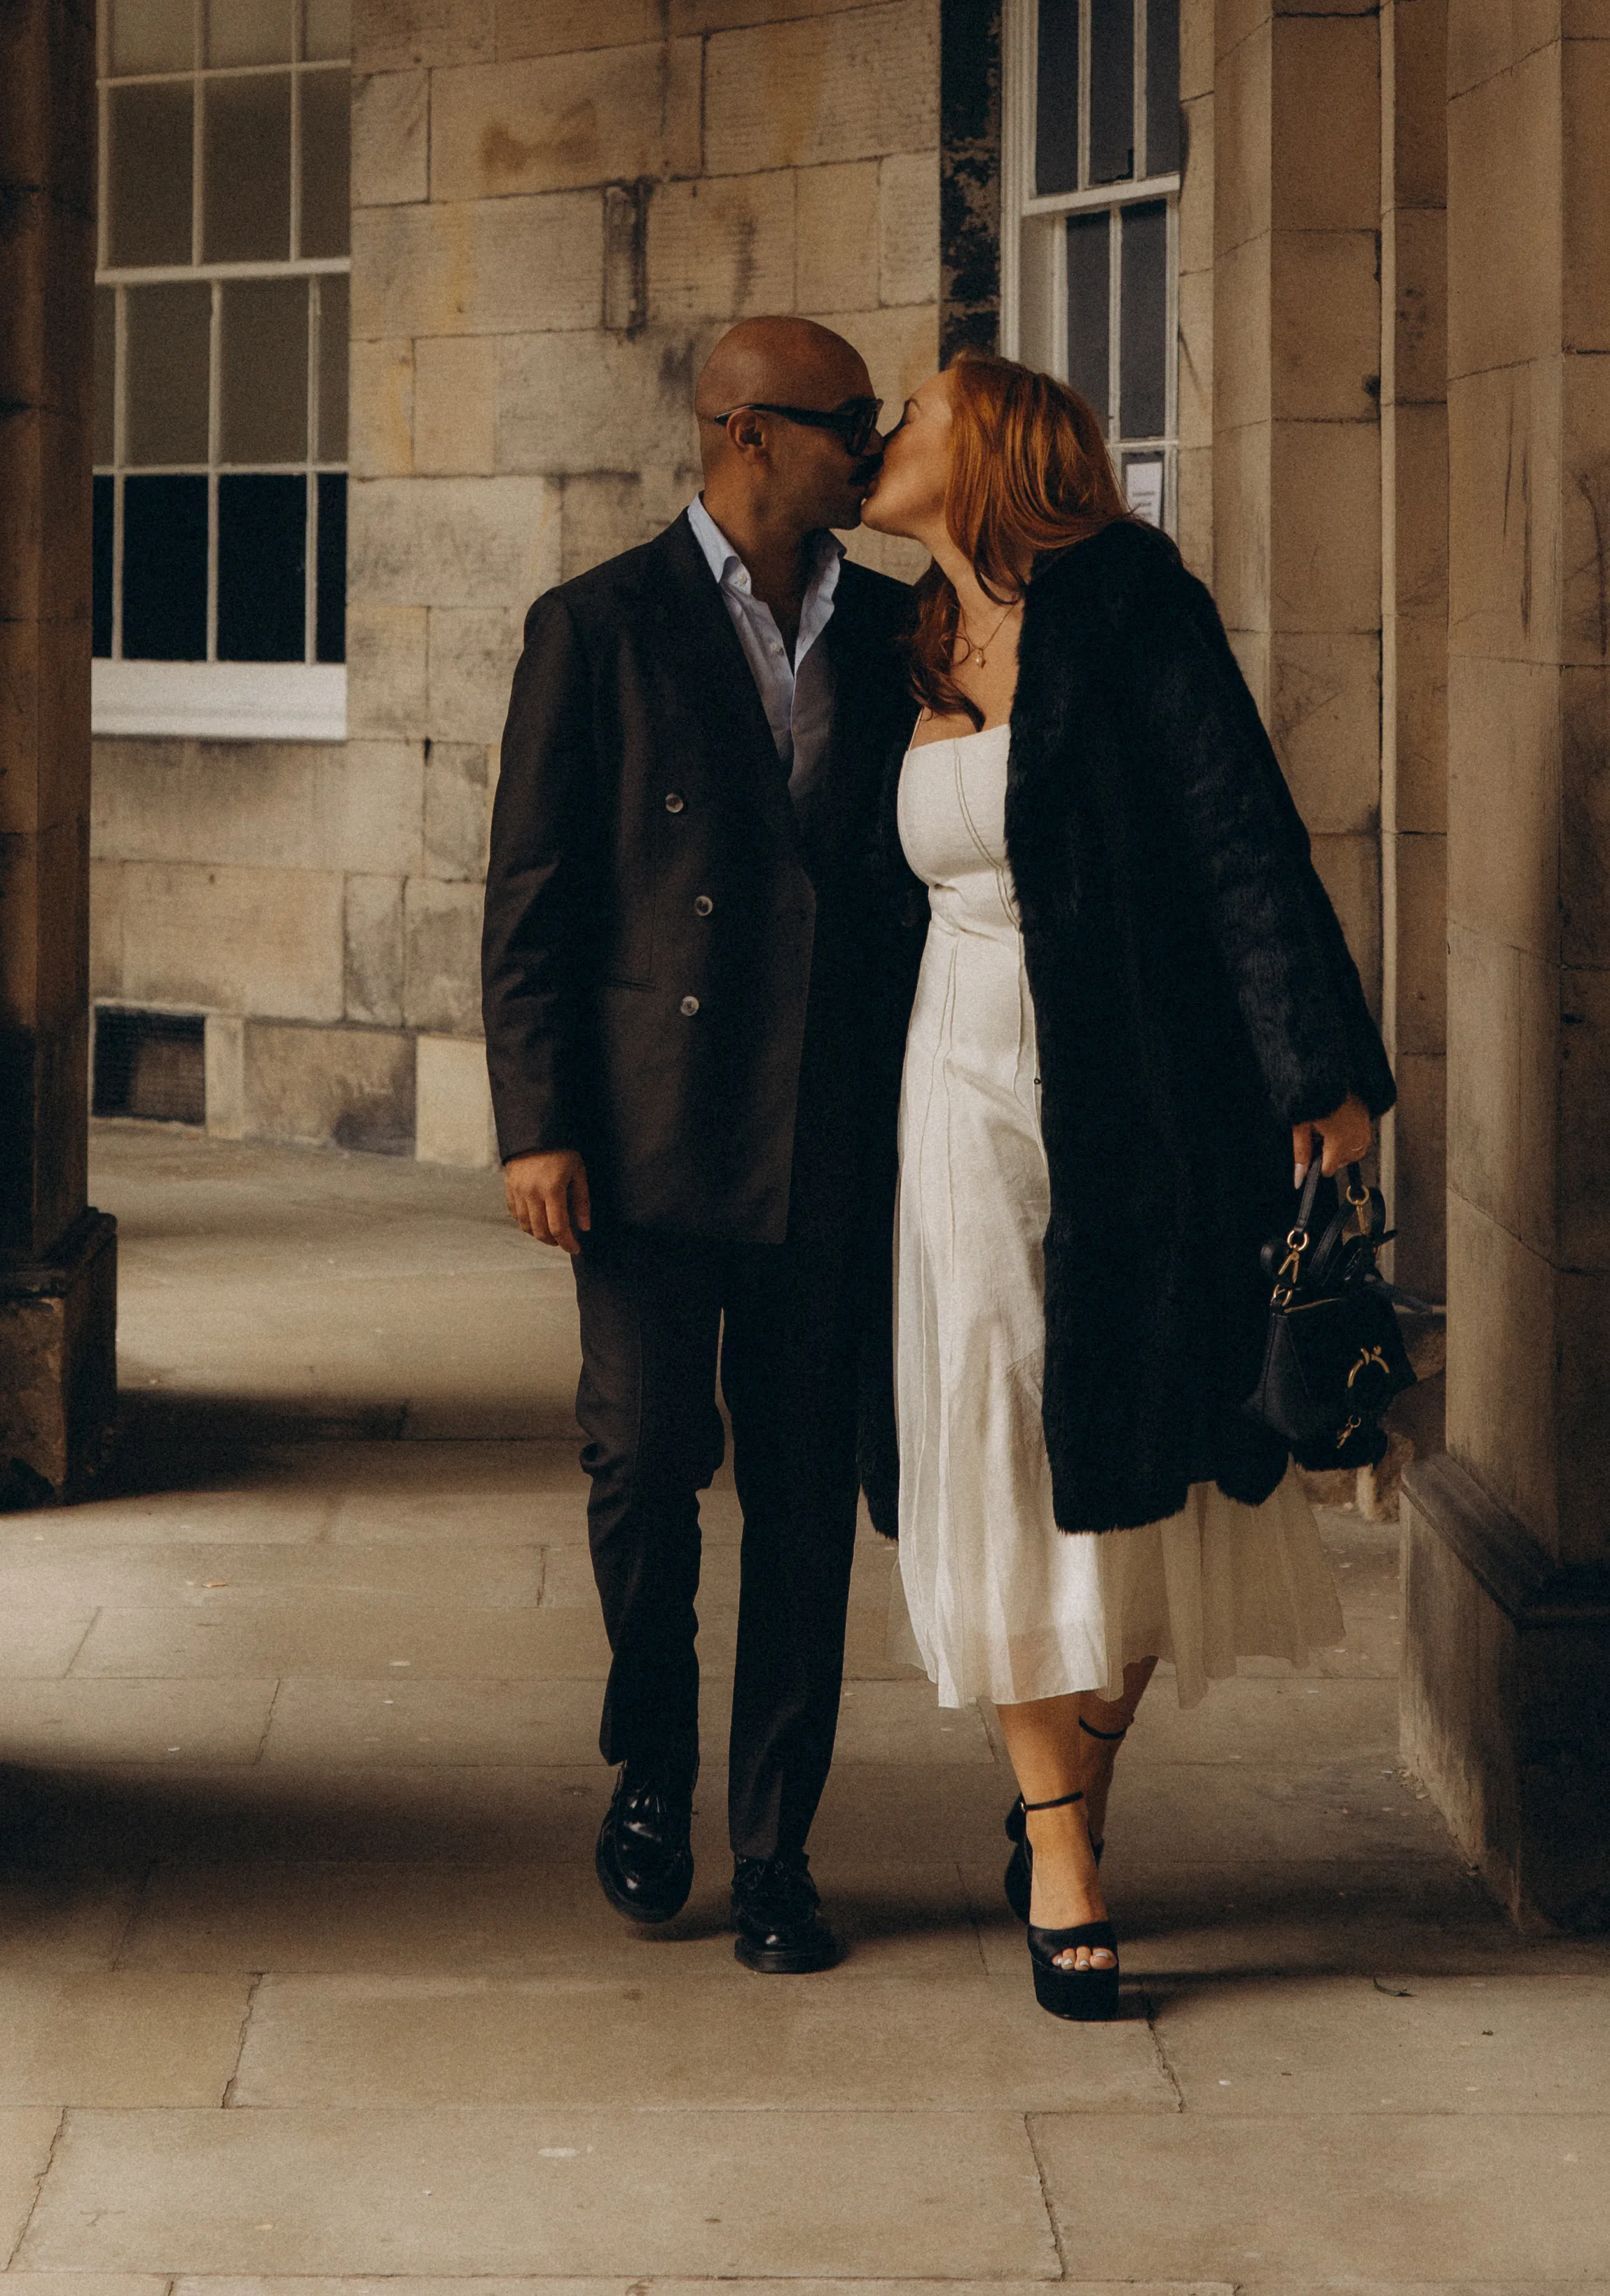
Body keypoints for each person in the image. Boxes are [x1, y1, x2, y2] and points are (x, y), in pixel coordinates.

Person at [860, 352, 1391, 2021]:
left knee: (1146, 1443)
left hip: (1131, 1080)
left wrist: (1316, 1067)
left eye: (917, 418)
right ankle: (1061, 1850)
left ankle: (1067, 1783)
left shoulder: (1130, 600)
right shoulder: (915, 636)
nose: (887, 437)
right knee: (1000, 1416)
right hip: (950, 1078)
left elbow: (1241, 831)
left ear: (992, 448)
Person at [481, 317, 918, 1976]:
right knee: (644, 1465)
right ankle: (650, 1773)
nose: (867, 453)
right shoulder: (592, 626)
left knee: (805, 1500)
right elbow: (530, 904)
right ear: (745, 434)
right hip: (648, 1140)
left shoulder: (895, 629)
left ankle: (778, 1843)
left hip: (829, 1129)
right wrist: (537, 1128)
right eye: (843, 426)